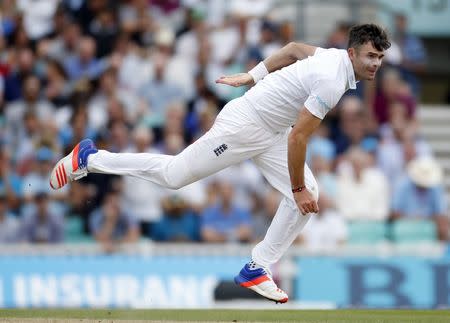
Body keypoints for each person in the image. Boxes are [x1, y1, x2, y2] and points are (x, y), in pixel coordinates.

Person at [50, 24, 390, 303]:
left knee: (309, 195)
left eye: (380, 57)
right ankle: (91, 158)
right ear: (352, 53)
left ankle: (257, 267)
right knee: (174, 176)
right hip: (246, 127)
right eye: (371, 56)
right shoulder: (332, 80)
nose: (376, 63)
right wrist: (296, 188)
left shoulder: (333, 60)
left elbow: (294, 49)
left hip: (270, 129)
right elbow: (298, 138)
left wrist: (252, 75)